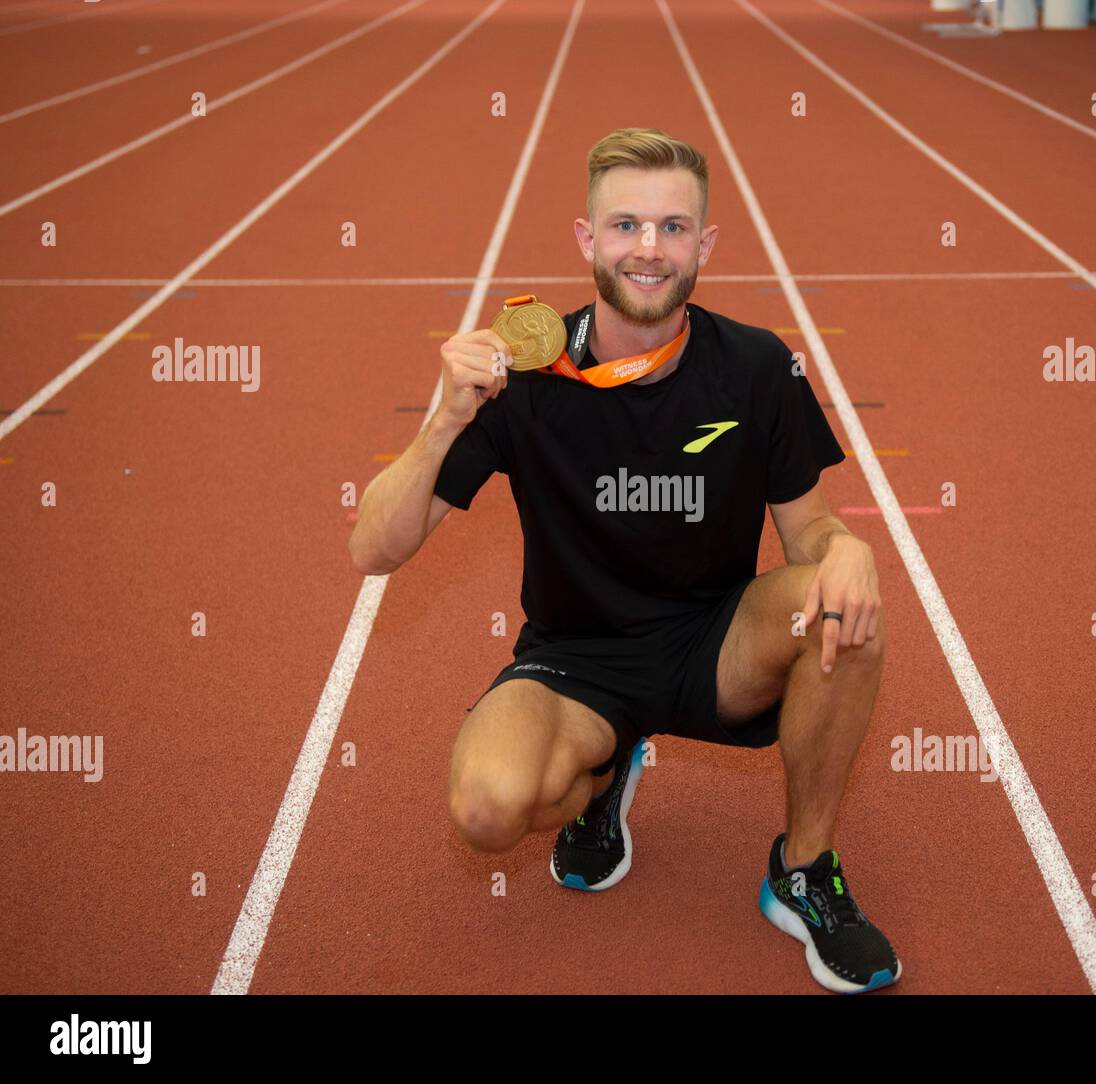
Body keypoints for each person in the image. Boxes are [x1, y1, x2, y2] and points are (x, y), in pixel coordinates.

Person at [348, 127, 899, 994]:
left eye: (674, 227)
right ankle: (603, 771)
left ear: (704, 245)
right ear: (587, 240)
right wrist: (446, 419)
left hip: (717, 642)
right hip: (577, 658)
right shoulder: (523, 374)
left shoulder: (757, 365)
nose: (649, 248)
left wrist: (849, 549)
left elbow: (813, 534)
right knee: (486, 810)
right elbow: (374, 548)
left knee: (842, 614)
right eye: (627, 226)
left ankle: (803, 867)